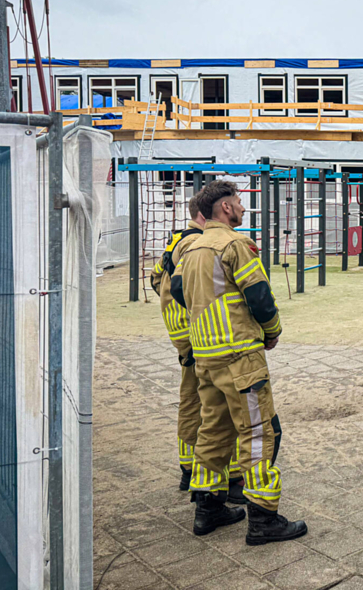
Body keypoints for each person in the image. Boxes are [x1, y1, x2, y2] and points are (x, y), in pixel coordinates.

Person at [171, 180, 307, 545]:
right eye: (239, 202)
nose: (243, 208)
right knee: (259, 431)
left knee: (213, 430)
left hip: (206, 357)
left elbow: (177, 291)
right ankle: (263, 518)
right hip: (240, 356)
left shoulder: (193, 247)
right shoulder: (234, 244)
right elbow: (259, 295)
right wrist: (272, 330)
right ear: (225, 208)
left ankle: (208, 508)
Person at [150, 196, 246, 502]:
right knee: (211, 410)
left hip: (184, 336)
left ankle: (190, 470)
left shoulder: (176, 240)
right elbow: (176, 287)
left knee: (193, 403)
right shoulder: (195, 244)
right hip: (198, 339)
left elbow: (155, 278)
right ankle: (217, 477)